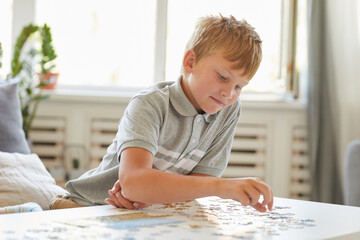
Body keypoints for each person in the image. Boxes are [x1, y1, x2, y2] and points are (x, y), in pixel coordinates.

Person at [53, 14, 273, 212]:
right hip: (86, 206)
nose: (228, 94)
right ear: (191, 62)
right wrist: (223, 186)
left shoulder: (228, 110)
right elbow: (134, 183)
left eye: (239, 87)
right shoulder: (149, 104)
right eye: (223, 77)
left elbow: (199, 182)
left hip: (150, 211)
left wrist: (150, 193)